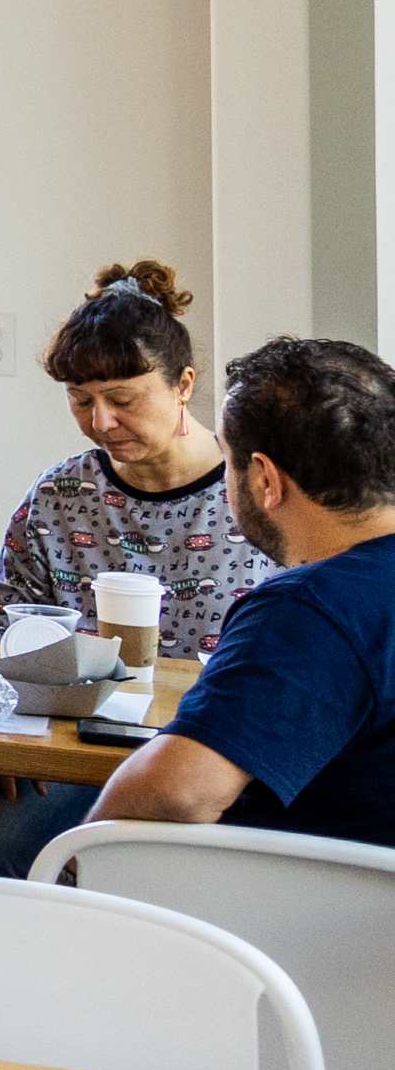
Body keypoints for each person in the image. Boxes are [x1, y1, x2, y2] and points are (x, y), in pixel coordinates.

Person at [91, 336, 395, 850]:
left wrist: (82, 849)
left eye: (228, 463)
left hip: (287, 914)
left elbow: (178, 793)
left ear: (265, 480)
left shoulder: (311, 607)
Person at [0, 261, 266, 652]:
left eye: (122, 400)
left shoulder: (257, 489)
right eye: (80, 400)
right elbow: (2, 634)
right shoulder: (59, 496)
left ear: (183, 384)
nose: (101, 422)